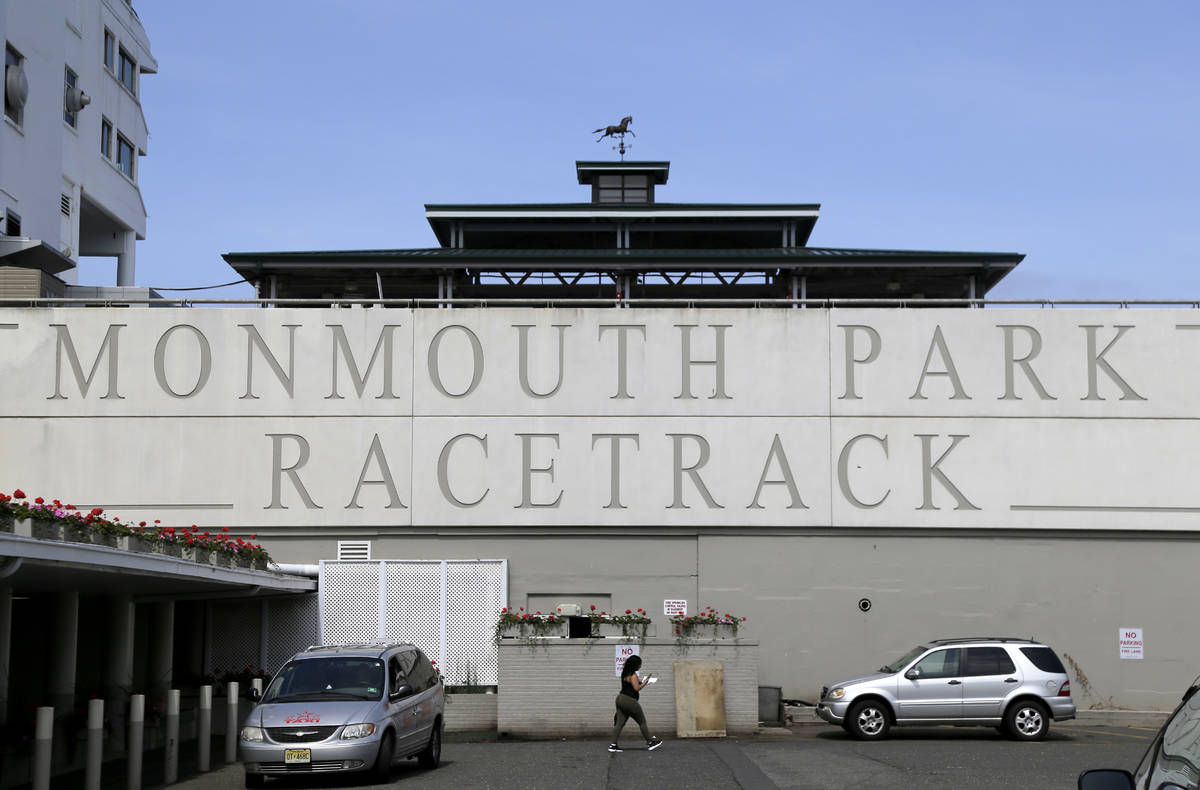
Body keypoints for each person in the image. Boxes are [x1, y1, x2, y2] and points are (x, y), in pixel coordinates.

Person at [609, 654, 663, 752]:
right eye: (639, 664)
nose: (640, 666)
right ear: (635, 665)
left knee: (619, 723)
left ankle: (613, 745)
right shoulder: (633, 675)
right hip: (629, 701)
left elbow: (631, 685)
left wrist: (640, 682)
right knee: (642, 721)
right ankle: (650, 742)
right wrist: (645, 683)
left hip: (620, 699)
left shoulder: (625, 673)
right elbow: (637, 688)